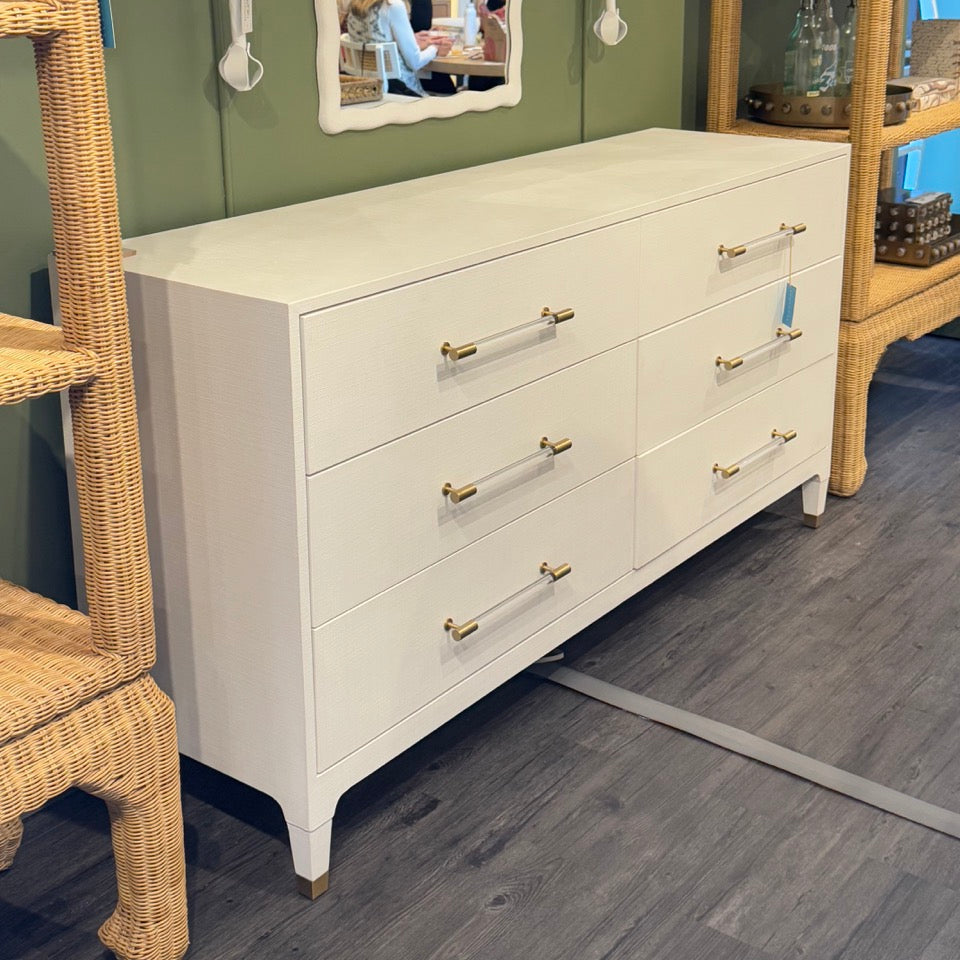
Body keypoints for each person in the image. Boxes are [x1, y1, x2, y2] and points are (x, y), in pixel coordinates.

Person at [346, 0, 451, 97]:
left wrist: (412, 38)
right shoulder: (393, 6)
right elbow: (415, 62)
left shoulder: (355, 5)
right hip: (404, 93)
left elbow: (376, 40)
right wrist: (435, 49)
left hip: (369, 89)